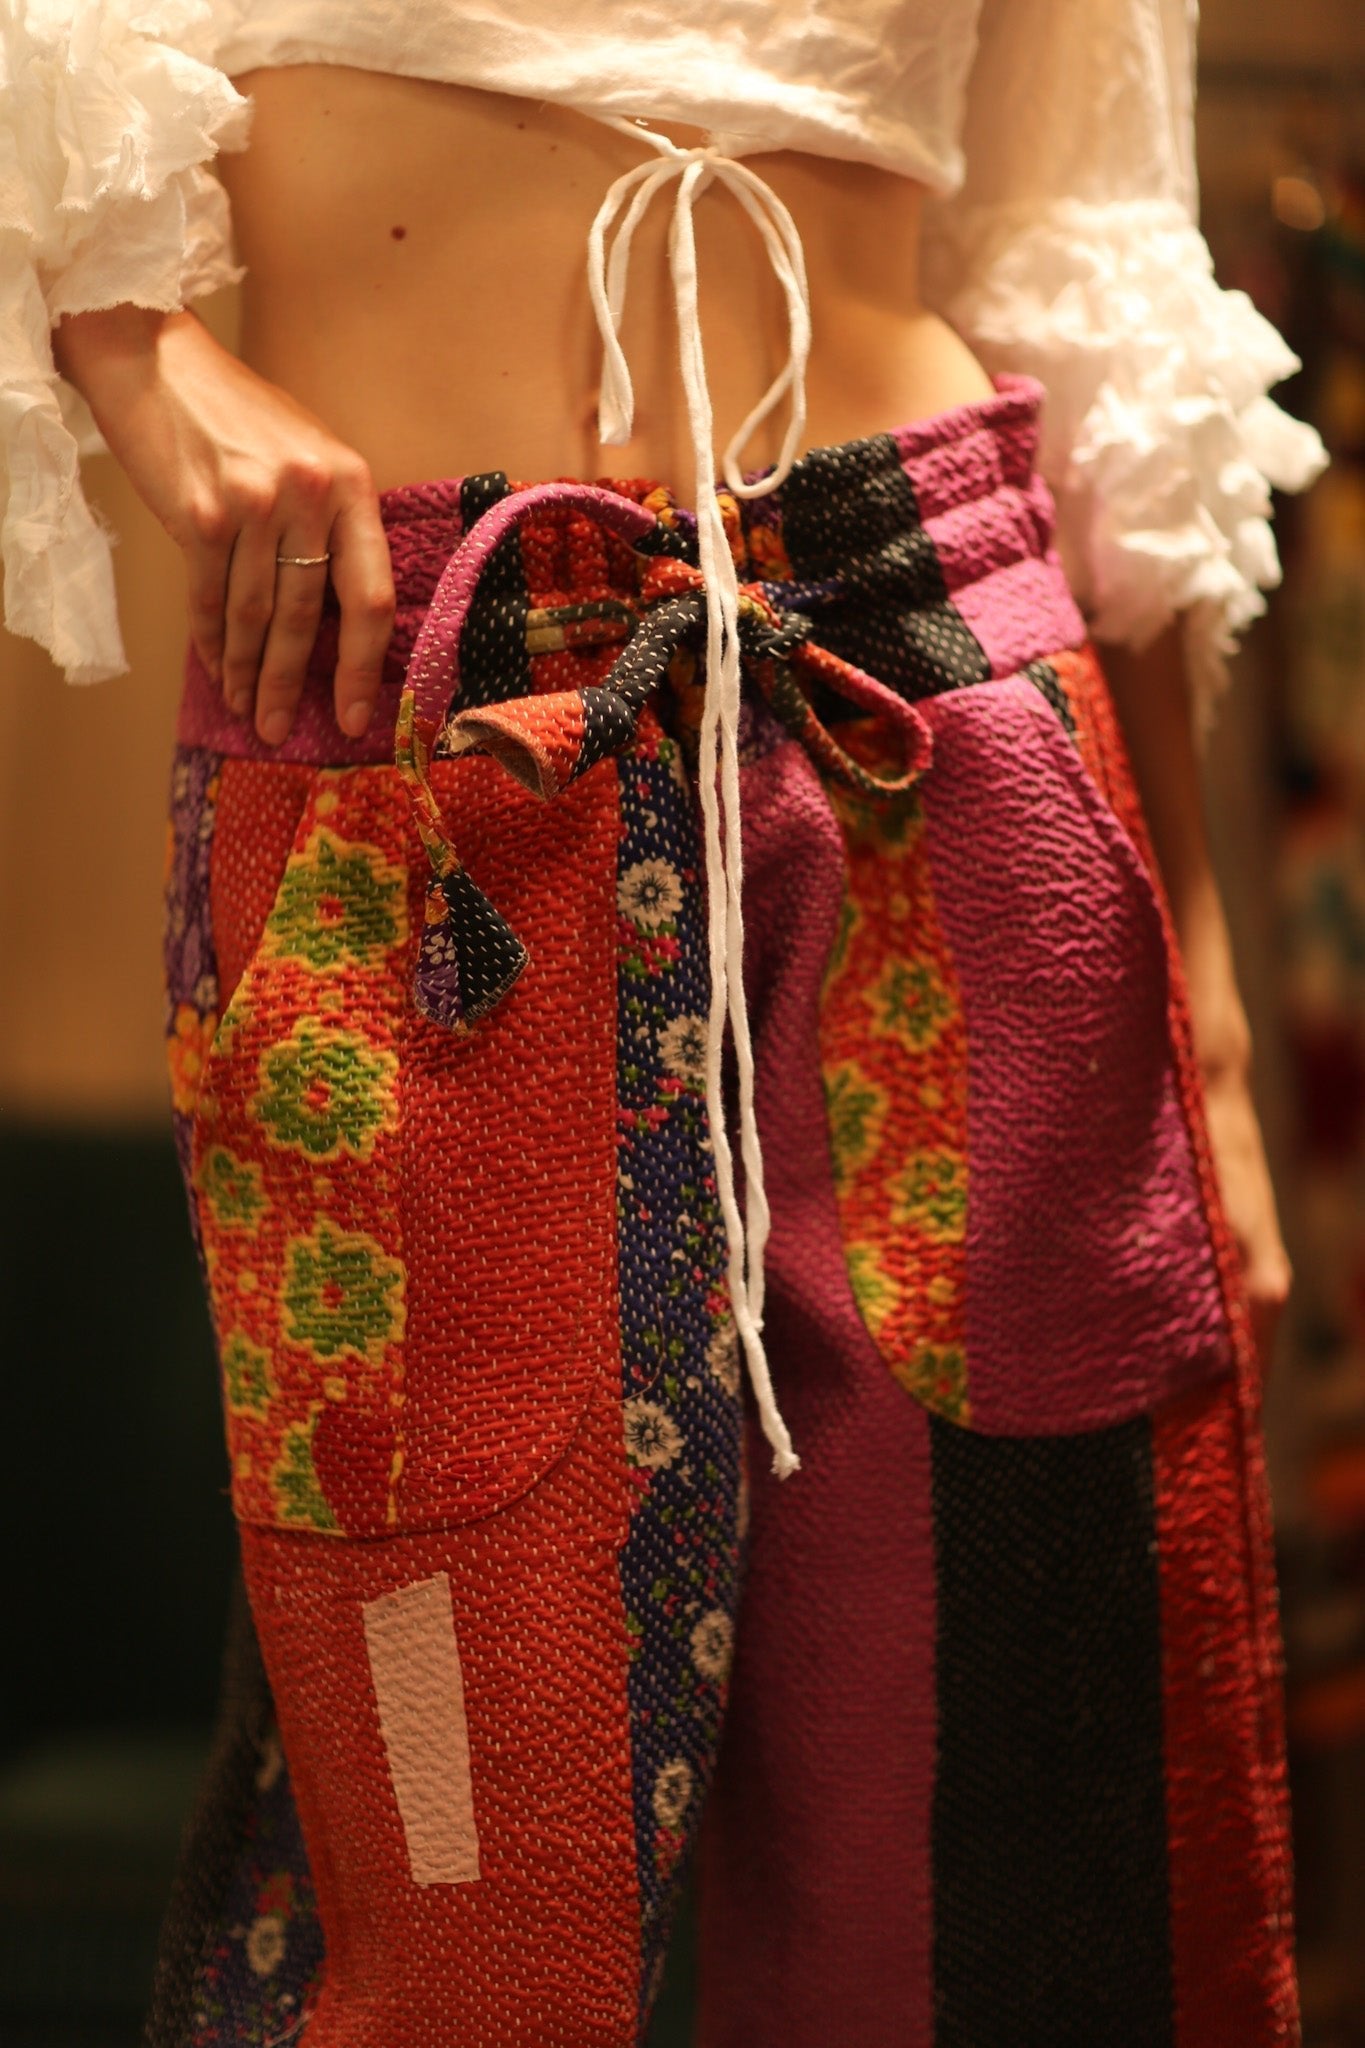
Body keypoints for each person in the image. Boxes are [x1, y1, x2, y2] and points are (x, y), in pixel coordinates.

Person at [1, 1, 1326, 2042]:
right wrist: (129, 347)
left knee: (1027, 1879)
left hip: (936, 686)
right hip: (419, 704)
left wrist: (1207, 1030)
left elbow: (1088, 259)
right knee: (461, 1898)